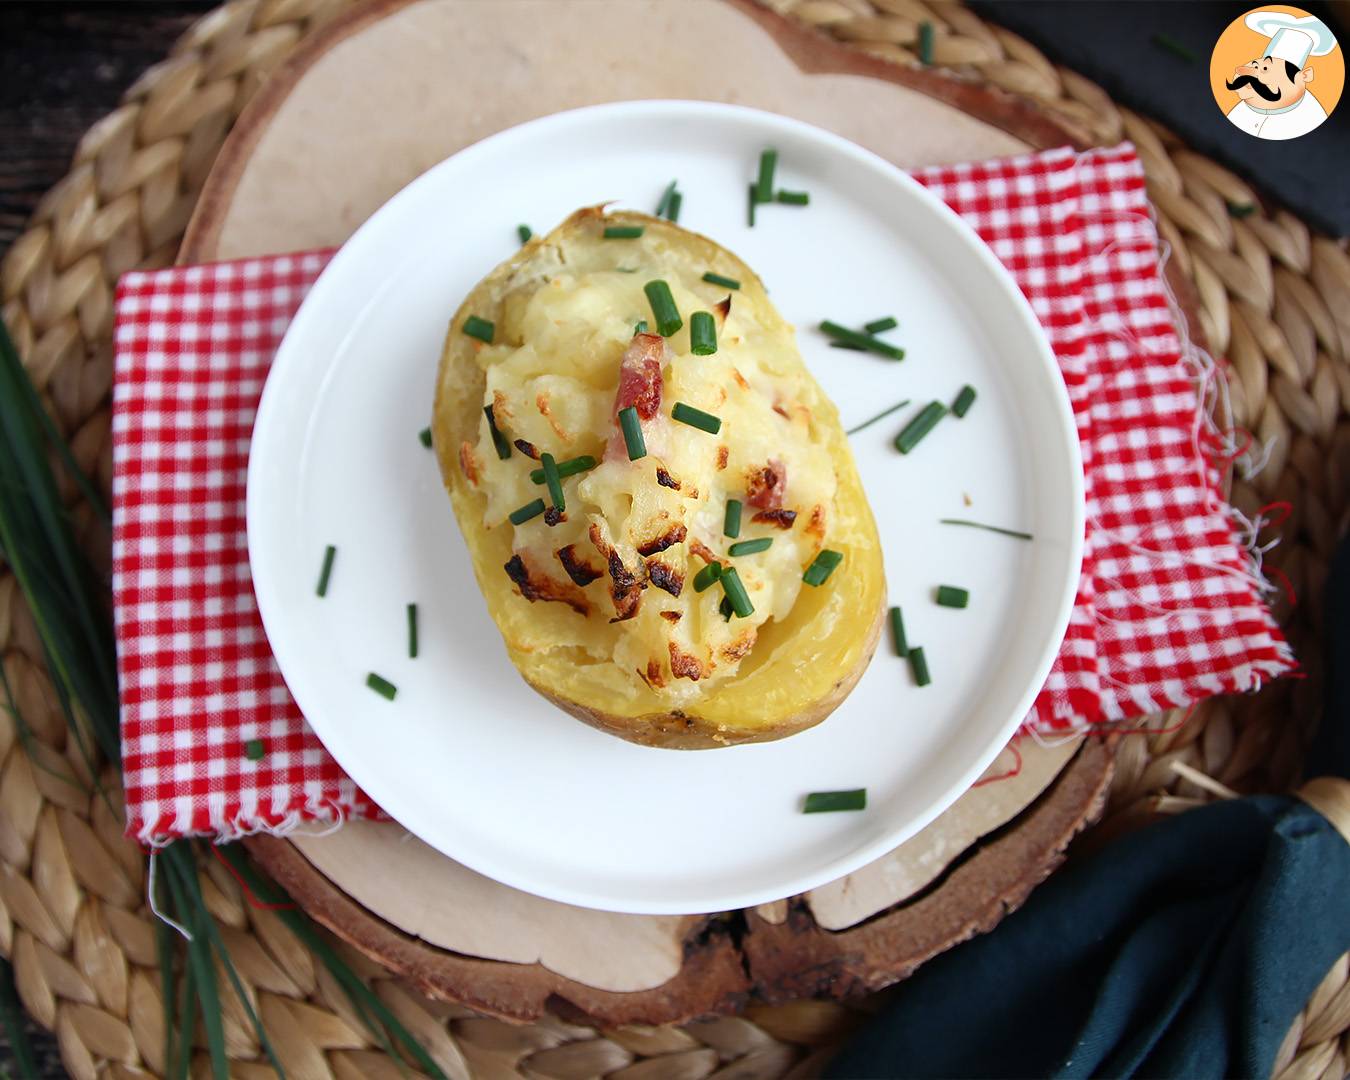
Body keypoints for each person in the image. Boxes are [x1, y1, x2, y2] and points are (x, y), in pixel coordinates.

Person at [1224, 11, 1337, 140]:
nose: (1248, 73)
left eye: (1265, 69)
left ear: (1304, 76)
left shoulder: (1309, 119)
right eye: (1255, 65)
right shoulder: (1241, 108)